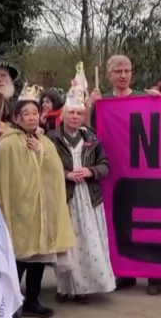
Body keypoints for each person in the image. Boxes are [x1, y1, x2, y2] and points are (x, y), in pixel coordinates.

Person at [0, 84, 76, 318]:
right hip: (20, 210)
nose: (31, 117)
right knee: (18, 258)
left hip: (43, 210)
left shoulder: (45, 141)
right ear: (17, 117)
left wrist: (41, 151)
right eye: (25, 113)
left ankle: (32, 300)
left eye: (34, 113)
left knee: (39, 258)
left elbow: (56, 172)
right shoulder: (8, 144)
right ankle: (9, 303)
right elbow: (2, 181)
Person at [86, 55, 161, 295]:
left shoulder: (143, 97)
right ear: (108, 75)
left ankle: (153, 275)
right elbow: (87, 132)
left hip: (142, 170)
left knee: (149, 222)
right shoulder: (103, 102)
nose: (123, 75)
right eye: (118, 71)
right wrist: (90, 106)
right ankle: (125, 273)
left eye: (127, 70)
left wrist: (158, 101)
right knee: (118, 222)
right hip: (113, 170)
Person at [48, 69, 115, 304]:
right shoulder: (52, 139)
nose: (75, 117)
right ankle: (66, 288)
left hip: (88, 198)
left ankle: (85, 287)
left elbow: (105, 166)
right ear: (63, 115)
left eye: (79, 113)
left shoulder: (92, 138)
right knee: (66, 245)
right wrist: (64, 174)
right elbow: (45, 168)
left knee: (87, 243)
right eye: (71, 113)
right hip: (65, 197)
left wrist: (90, 171)